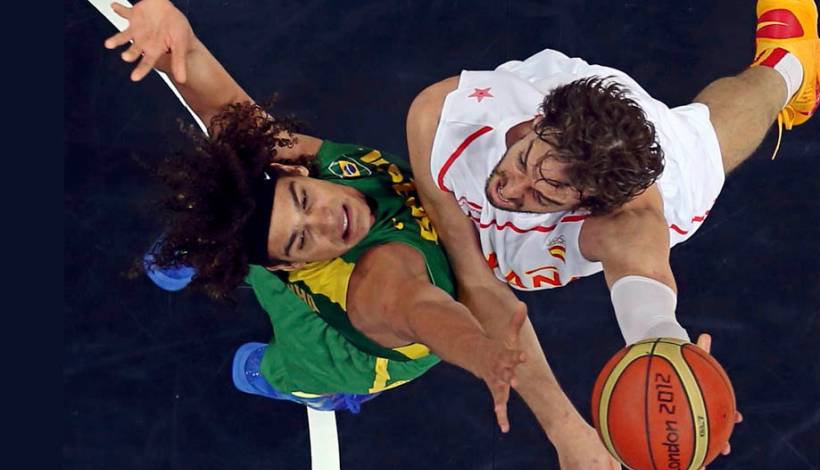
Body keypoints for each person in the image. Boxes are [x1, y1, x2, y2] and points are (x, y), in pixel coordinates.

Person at [403, 0, 820, 470]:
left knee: (704, 140)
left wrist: (674, 358)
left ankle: (788, 69)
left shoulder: (627, 221)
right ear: (539, 124)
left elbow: (648, 308)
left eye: (545, 194)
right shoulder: (442, 118)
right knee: (701, 134)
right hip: (587, 101)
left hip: (648, 173)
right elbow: (479, 282)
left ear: (587, 208)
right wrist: (566, 428)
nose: (514, 187)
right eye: (525, 161)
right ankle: (788, 62)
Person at [103, 0, 529, 429]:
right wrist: (479, 350)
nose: (329, 221)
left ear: (292, 169)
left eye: (306, 201)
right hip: (318, 277)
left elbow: (228, 113)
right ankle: (218, 247)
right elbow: (424, 311)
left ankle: (292, 383)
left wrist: (184, 45)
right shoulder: (365, 273)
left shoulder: (352, 226)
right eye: (303, 239)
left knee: (287, 365)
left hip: (346, 358)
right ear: (289, 266)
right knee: (239, 227)